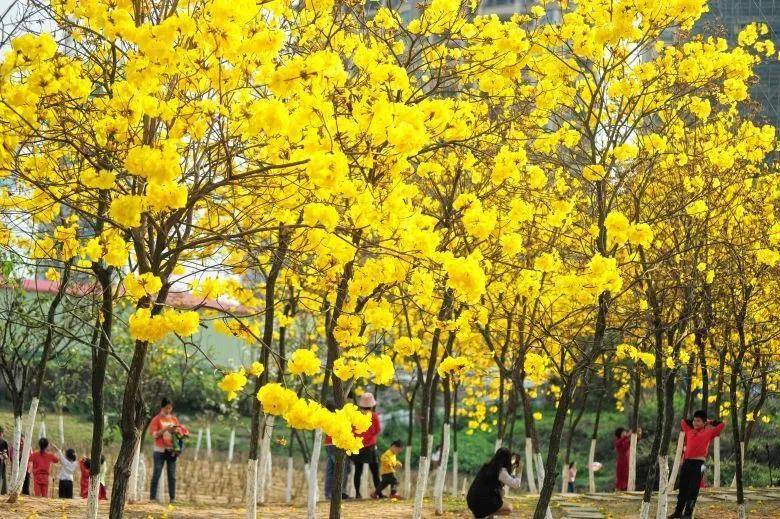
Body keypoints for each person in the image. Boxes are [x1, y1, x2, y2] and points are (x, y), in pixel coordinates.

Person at [669, 411, 725, 519]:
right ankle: (678, 512)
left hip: (698, 465)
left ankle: (687, 514)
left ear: (704, 422)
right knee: (682, 490)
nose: (695, 423)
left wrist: (709, 421)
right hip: (686, 464)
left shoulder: (709, 432)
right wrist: (697, 421)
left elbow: (722, 424)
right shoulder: (689, 430)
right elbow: (683, 422)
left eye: (698, 421)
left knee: (693, 491)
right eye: (694, 420)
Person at [466, 447, 522, 518]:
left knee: (501, 492)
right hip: (480, 503)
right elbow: (516, 485)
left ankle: (486, 516)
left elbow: (501, 481)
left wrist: (511, 469)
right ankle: (482, 514)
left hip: (471, 501)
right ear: (507, 459)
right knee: (509, 508)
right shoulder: (501, 471)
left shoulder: (488, 466)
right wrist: (519, 472)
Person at [349, 392, 381, 499]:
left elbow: (352, 431)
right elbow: (377, 431)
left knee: (358, 471)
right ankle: (378, 493)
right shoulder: (374, 416)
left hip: (358, 446)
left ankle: (357, 494)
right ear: (372, 405)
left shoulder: (356, 416)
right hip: (370, 447)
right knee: (375, 471)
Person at [149, 397, 182, 502]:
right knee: (157, 473)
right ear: (162, 408)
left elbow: (180, 432)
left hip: (171, 450)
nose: (168, 410)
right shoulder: (156, 419)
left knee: (172, 475)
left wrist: (177, 432)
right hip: (159, 450)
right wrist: (165, 429)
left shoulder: (174, 419)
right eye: (166, 408)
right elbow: (154, 435)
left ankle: (172, 498)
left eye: (170, 408)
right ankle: (152, 498)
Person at [324, 400, 351, 500]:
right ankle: (340, 492)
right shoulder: (337, 417)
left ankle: (328, 493)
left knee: (330, 470)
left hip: (328, 444)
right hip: (336, 444)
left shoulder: (326, 416)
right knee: (342, 468)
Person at [614, 427, 641, 491]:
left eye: (625, 432)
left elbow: (634, 441)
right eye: (623, 433)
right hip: (621, 463)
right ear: (619, 434)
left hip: (628, 463)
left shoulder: (626, 441)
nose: (625, 434)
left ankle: (628, 489)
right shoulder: (618, 442)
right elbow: (619, 443)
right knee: (621, 478)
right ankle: (619, 490)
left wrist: (638, 434)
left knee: (627, 477)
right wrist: (628, 435)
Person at [0, 426, 9, 494]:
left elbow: (6, 455)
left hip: (1, 464)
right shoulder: (4, 442)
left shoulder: (4, 442)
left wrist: (4, 456)